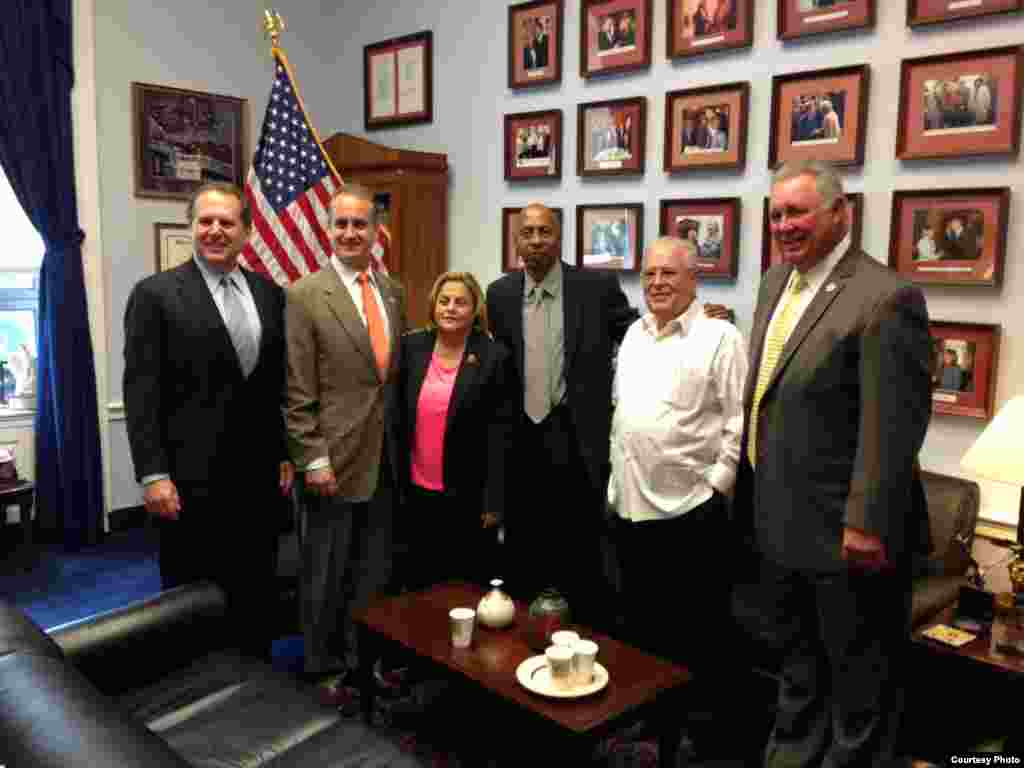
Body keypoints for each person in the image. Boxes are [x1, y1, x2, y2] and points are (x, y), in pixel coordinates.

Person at [734, 160, 932, 767]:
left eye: (797, 212)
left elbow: (893, 425)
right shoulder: (774, 283)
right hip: (781, 527)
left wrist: (865, 523)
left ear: (841, 213)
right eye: (775, 214)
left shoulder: (884, 296)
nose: (783, 225)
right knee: (797, 674)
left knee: (856, 695)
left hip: (848, 541)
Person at [486, 203, 730, 630]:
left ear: (559, 237)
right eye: (528, 232)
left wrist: (701, 317)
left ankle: (585, 640)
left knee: (580, 551)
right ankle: (524, 640)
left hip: (576, 437)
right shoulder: (500, 294)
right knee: (524, 547)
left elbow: (642, 330)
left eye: (545, 231)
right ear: (516, 240)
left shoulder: (595, 287)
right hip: (521, 438)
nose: (537, 240)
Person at [123, 181, 294, 660]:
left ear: (246, 232)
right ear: (191, 225)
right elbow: (140, 389)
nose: (215, 230)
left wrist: (283, 451)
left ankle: (257, 675)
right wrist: (153, 473)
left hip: (257, 477)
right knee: (191, 595)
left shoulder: (268, 293)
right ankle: (194, 683)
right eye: (206, 221)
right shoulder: (155, 294)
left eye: (227, 222)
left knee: (256, 584)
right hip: (187, 478)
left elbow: (272, 384)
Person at [609, 236, 747, 756]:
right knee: (641, 627)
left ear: (694, 279)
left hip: (691, 510)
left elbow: (737, 419)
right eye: (649, 275)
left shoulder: (721, 337)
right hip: (629, 504)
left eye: (669, 274)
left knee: (695, 632)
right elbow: (622, 411)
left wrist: (718, 486)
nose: (658, 283)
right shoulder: (634, 335)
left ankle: (698, 736)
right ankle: (647, 721)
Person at [284, 184, 408, 681]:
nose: (351, 233)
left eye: (361, 224)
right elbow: (296, 387)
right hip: (331, 458)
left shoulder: (392, 291)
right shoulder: (304, 294)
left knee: (373, 571)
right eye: (342, 224)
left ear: (377, 232)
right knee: (324, 572)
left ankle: (364, 660)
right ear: (327, 230)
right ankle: (321, 666)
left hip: (386, 456)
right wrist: (311, 458)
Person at [395, 272, 512, 592]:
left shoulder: (493, 356)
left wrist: (493, 500)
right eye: (444, 301)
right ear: (433, 306)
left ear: (475, 309)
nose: (450, 308)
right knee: (420, 586)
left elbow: (499, 434)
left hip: (468, 499)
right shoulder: (411, 347)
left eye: (460, 302)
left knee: (464, 589)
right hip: (417, 495)